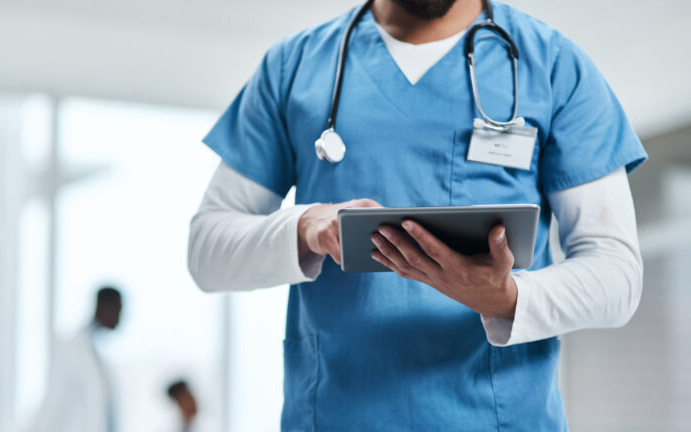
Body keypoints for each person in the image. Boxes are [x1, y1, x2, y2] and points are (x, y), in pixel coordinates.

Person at [188, 0, 647, 430]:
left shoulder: (553, 66)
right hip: (337, 415)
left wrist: (504, 297)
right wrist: (305, 226)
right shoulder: (294, 67)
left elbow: (616, 274)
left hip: (500, 418)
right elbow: (207, 252)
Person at [31, 286, 123, 432]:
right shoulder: (71, 348)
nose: (121, 317)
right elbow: (53, 402)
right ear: (105, 307)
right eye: (119, 310)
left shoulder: (96, 354)